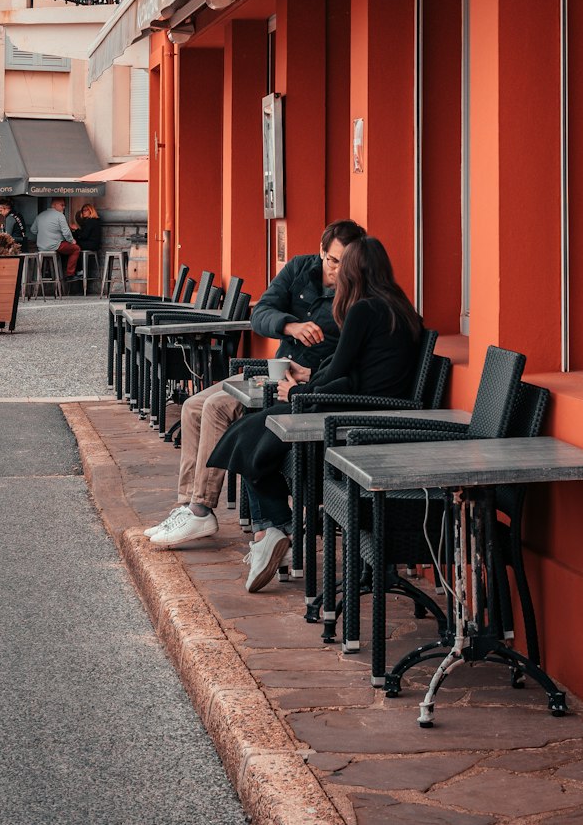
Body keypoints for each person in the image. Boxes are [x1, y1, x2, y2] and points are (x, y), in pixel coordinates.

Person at [209, 235, 423, 592]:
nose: (337, 274)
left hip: (355, 416)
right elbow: (355, 368)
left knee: (251, 434)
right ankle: (271, 531)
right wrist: (309, 379)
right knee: (254, 432)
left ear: (354, 272)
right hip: (370, 410)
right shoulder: (401, 308)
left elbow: (342, 369)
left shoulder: (363, 309)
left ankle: (274, 528)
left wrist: (298, 391)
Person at [145, 219, 367, 550]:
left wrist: (311, 371)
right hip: (272, 369)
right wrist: (290, 326)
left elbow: (352, 357)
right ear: (322, 251)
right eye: (334, 260)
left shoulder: (358, 292)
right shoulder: (298, 269)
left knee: (216, 407)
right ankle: (186, 507)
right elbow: (261, 313)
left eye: (346, 262)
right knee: (192, 406)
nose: (338, 270)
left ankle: (201, 508)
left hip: (307, 382)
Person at [31, 198, 81, 284]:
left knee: (61, 250)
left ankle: (48, 271)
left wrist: (44, 233)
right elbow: (66, 232)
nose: (64, 207)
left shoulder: (40, 215)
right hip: (55, 245)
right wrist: (72, 241)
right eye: (62, 205)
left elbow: (33, 230)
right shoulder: (60, 216)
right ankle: (70, 274)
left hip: (41, 247)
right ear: (54, 205)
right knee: (76, 248)